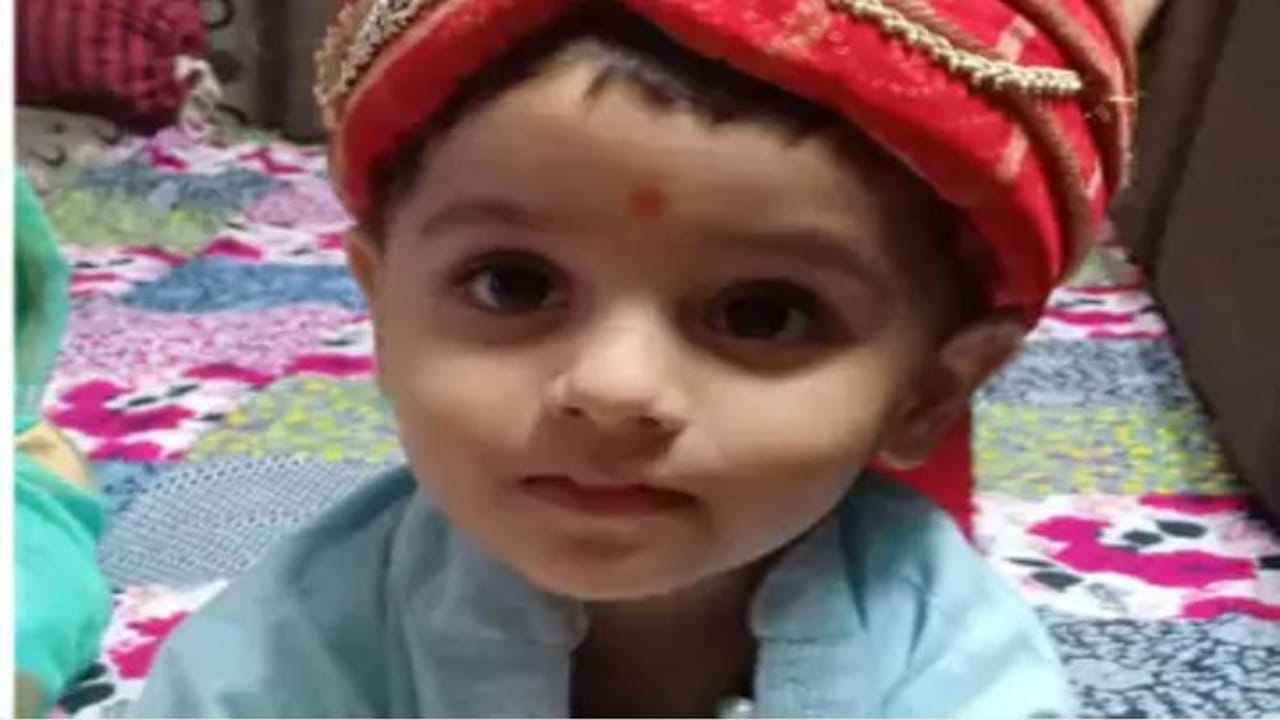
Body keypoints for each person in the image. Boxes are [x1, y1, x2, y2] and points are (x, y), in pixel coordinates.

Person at [134, 0, 1134, 716]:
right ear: (381, 309)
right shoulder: (290, 651)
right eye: (513, 285)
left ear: (929, 391)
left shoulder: (946, 657)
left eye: (763, 315)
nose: (614, 389)